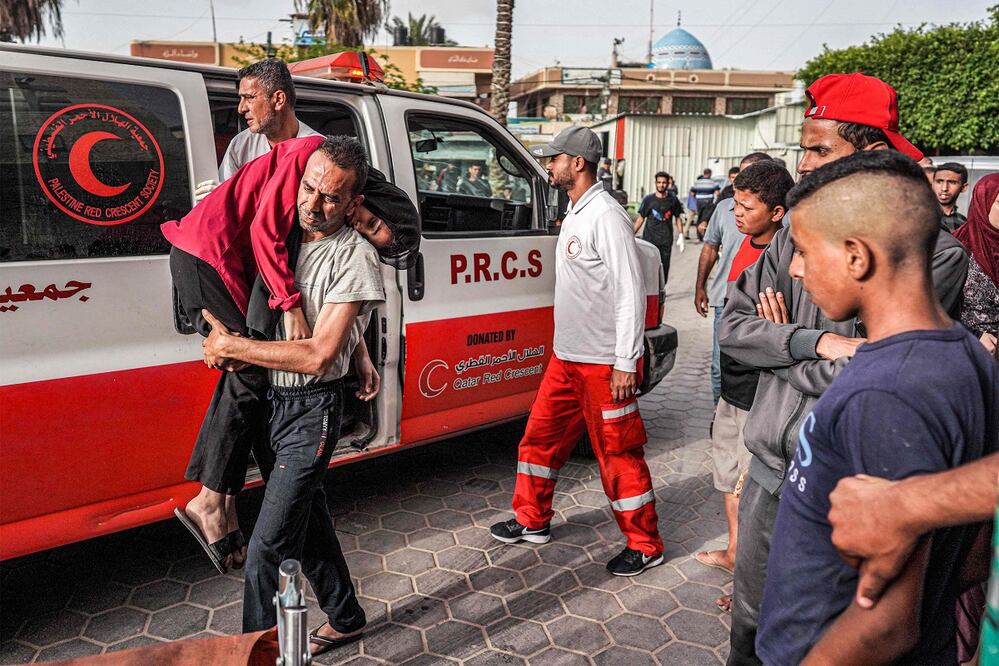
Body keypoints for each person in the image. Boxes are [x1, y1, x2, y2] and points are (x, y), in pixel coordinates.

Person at [718, 72, 970, 666]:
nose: (801, 165)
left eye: (819, 149)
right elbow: (733, 330)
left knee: (819, 634)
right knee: (750, 630)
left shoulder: (931, 254)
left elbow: (876, 380)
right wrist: (819, 343)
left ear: (873, 153)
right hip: (769, 472)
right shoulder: (792, 239)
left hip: (849, 489)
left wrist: (783, 352)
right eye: (803, 147)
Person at [755, 150, 998, 665]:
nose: (795, 270)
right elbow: (974, 560)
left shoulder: (886, 392)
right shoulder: (970, 357)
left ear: (856, 256)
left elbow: (885, 624)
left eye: (801, 250)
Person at [165, 135, 419, 574]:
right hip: (207, 254)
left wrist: (357, 351)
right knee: (251, 366)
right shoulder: (313, 161)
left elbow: (332, 306)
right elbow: (265, 234)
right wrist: (289, 306)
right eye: (373, 226)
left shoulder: (333, 220)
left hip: (223, 260)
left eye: (333, 200)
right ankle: (211, 501)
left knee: (256, 372)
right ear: (367, 199)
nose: (363, 231)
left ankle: (226, 508)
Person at [201, 136, 382, 654]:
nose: (314, 204)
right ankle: (345, 616)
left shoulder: (354, 257)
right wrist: (362, 350)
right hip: (271, 405)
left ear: (352, 204)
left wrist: (236, 347)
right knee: (309, 522)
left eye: (331, 198)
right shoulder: (288, 233)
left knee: (267, 550)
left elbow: (320, 354)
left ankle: (255, 656)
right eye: (308, 188)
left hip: (313, 410)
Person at [491, 126, 664, 577]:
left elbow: (631, 290)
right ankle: (532, 520)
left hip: (605, 365)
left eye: (554, 159)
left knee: (618, 454)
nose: (548, 166)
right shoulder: (576, 211)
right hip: (566, 358)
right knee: (538, 440)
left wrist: (627, 361)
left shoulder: (606, 216)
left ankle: (645, 544)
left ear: (578, 163)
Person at [693, 161, 794, 614]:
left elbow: (774, 335)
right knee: (726, 473)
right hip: (732, 387)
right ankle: (736, 554)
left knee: (752, 489)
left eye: (747, 207)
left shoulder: (789, 260)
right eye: (735, 204)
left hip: (764, 392)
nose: (737, 214)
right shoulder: (746, 247)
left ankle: (755, 584)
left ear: (776, 212)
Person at [694, 152, 772, 405]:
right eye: (743, 172)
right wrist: (700, 287)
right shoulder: (724, 209)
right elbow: (710, 248)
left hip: (764, 302)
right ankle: (720, 415)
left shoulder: (780, 215)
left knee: (759, 367)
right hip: (725, 300)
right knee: (720, 365)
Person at [195, 59, 320, 202]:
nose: (241, 108)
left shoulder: (318, 151)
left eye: (249, 98)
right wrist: (220, 195)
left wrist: (234, 197)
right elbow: (227, 199)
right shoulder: (241, 145)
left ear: (278, 99)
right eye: (241, 99)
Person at [955, 173, 999, 353]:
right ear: (983, 202)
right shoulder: (956, 248)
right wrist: (973, 335)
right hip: (967, 354)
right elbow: (932, 306)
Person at [634, 171, 684, 285]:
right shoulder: (648, 200)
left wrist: (681, 234)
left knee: (663, 269)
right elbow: (641, 219)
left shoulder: (673, 200)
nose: (661, 185)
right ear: (655, 183)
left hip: (666, 240)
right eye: (659, 182)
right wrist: (631, 233)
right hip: (649, 240)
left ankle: (661, 292)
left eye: (664, 182)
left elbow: (677, 218)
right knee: (647, 268)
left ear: (668, 183)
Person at [934, 162, 970, 233]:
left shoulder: (964, 223)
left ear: (963, 188)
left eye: (952, 182)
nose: (944, 188)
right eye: (939, 181)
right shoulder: (920, 215)